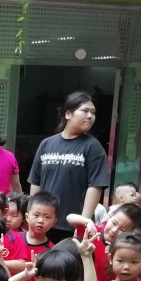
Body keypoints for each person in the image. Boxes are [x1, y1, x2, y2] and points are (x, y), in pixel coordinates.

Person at [28, 91, 110, 241]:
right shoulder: (46, 144)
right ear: (68, 114)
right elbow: (36, 182)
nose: (90, 116)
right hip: (44, 224)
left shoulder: (93, 147)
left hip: (71, 227)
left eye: (93, 112)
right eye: (85, 111)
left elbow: (95, 186)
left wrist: (83, 224)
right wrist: (32, 218)